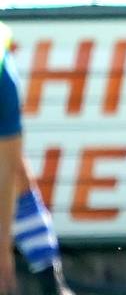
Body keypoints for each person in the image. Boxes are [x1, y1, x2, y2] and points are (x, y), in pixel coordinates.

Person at [0, 22, 77, 295]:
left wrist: (3, 255)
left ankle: (52, 284)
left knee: (18, 175)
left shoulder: (3, 75)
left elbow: (7, 171)